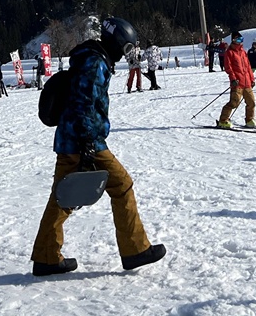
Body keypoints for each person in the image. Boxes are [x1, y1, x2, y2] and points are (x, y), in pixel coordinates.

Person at [30, 17, 165, 276]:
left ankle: (46, 256)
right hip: (82, 141)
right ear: (116, 43)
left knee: (62, 197)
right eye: (126, 49)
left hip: (72, 140)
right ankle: (135, 250)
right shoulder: (94, 63)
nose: (126, 56)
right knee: (122, 184)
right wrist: (89, 142)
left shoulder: (91, 58)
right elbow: (83, 104)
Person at [217, 31, 256, 128]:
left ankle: (249, 119)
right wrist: (233, 79)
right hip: (237, 83)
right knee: (234, 103)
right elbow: (228, 68)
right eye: (239, 40)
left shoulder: (243, 52)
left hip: (246, 82)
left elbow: (248, 67)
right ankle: (223, 120)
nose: (241, 42)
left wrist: (252, 79)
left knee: (251, 102)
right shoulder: (229, 52)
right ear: (234, 40)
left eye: (242, 39)